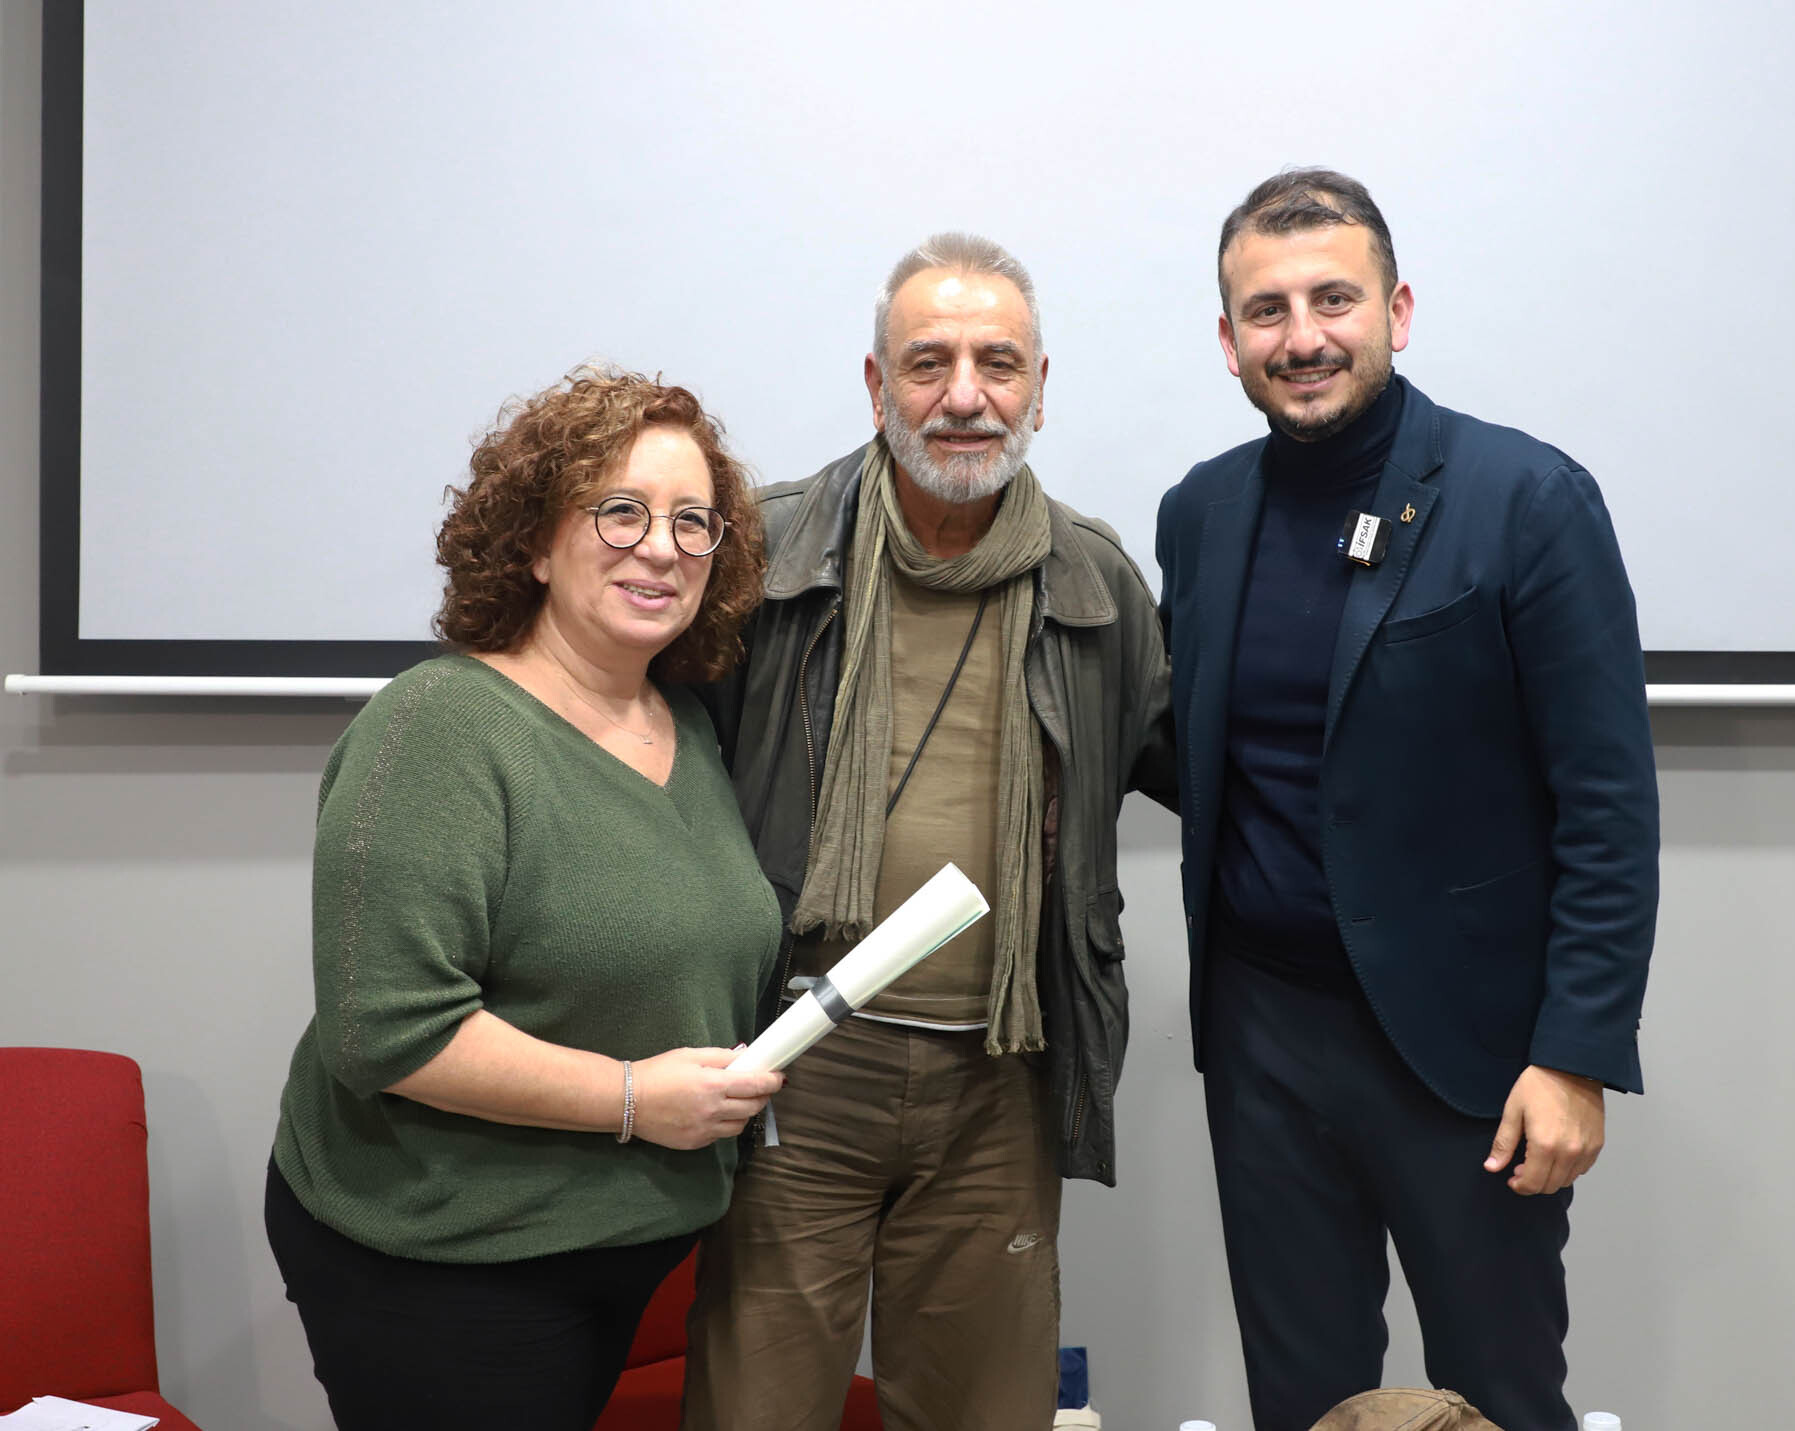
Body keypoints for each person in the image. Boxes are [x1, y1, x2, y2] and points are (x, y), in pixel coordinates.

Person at [1156, 169, 1660, 1431]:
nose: (1302, 336)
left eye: (1333, 299)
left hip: (1467, 1053)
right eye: (1266, 311)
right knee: (1303, 1402)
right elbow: (1210, 753)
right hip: (1264, 1039)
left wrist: (1574, 1055)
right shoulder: (1199, 513)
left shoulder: (1526, 499)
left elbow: (1605, 802)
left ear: (1396, 310)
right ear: (1227, 339)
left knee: (1497, 1398)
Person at [682, 233, 1174, 1431]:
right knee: (755, 1410)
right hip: (794, 1063)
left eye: (997, 364)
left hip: (999, 1075)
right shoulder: (766, 556)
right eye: (927, 363)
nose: (964, 396)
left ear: (1039, 388)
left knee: (983, 1414)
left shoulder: (1097, 586)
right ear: (875, 386)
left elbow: (1192, 770)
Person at [264, 367, 786, 1431]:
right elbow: (387, 1033)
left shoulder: (686, 726)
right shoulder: (439, 727)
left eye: (693, 522)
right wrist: (634, 1097)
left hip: (619, 1247)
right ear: (537, 543)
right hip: (446, 1258)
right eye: (620, 511)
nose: (661, 547)